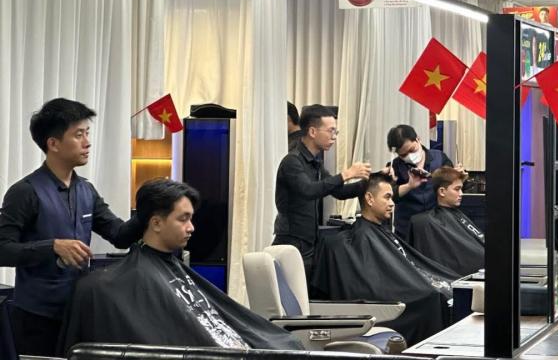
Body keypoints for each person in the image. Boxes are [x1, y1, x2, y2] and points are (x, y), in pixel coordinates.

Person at [59, 179, 303, 352]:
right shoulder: (116, 284)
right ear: (156, 223)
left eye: (191, 219)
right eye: (183, 219)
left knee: (289, 344)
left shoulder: (170, 267)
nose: (191, 228)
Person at [0, 98, 145, 358]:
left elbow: (120, 236)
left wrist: (148, 208)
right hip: (36, 318)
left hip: (79, 312)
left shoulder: (86, 190)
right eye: (78, 135)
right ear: (53, 143)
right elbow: (3, 250)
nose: (87, 142)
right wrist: (53, 247)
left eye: (87, 133)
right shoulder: (24, 192)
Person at [312, 173, 458, 345]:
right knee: (434, 298)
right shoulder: (359, 239)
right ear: (369, 199)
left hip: (410, 287)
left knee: (450, 288)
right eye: (387, 197)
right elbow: (376, 286)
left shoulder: (379, 232)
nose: (392, 203)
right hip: (388, 306)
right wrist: (428, 292)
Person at [273, 104, 371, 277]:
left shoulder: (315, 163)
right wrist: (346, 174)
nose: (334, 137)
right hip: (291, 242)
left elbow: (339, 192)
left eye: (336, 132)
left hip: (309, 241)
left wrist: (372, 182)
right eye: (331, 131)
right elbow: (308, 190)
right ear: (312, 132)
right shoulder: (292, 161)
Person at [387, 124, 460, 240]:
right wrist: (409, 186)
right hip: (407, 228)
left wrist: (459, 176)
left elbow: (453, 186)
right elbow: (390, 195)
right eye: (403, 155)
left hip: (438, 224)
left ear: (418, 139)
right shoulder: (395, 166)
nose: (409, 156)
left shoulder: (439, 158)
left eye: (412, 150)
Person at [408, 167, 484, 277]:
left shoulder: (457, 215)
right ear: (442, 192)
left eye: (461, 189)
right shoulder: (425, 222)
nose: (461, 194)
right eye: (457, 189)